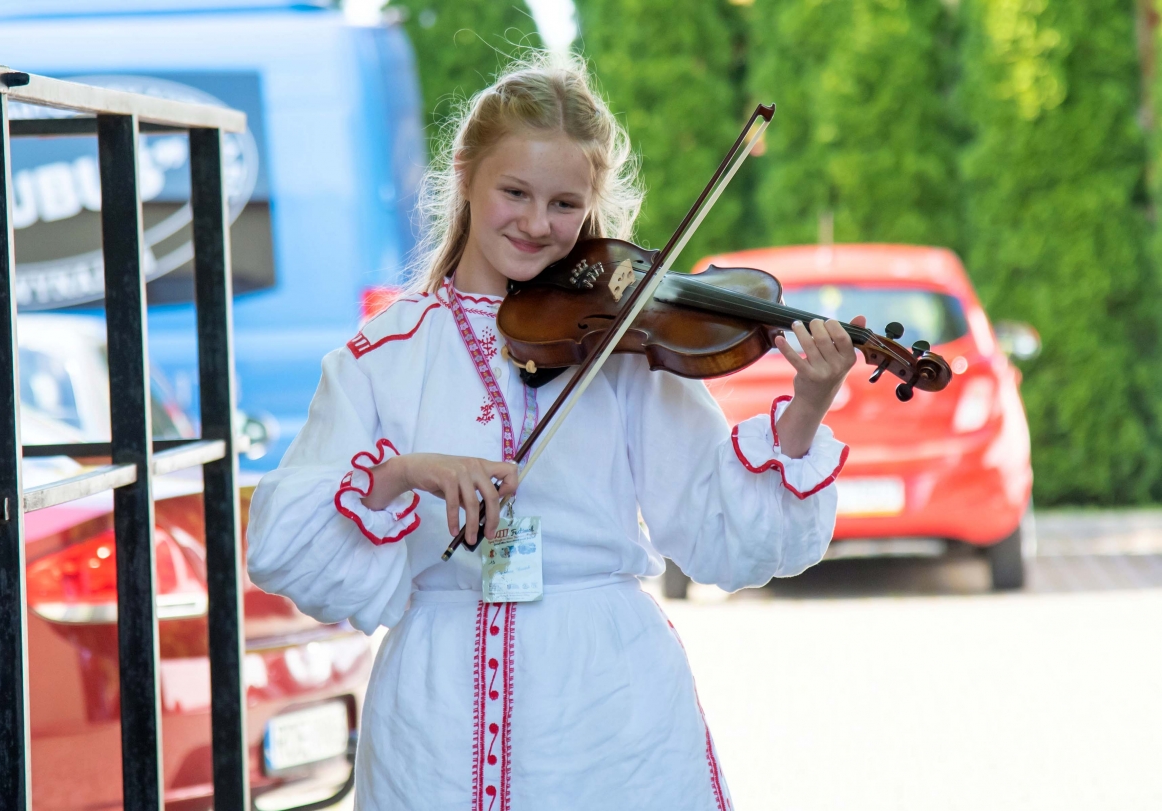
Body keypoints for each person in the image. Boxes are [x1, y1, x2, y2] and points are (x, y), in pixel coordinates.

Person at [247, 53, 861, 810]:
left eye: (565, 204)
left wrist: (806, 408)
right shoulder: (383, 355)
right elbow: (285, 550)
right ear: (466, 174)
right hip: (436, 718)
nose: (538, 224)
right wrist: (408, 471)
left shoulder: (625, 346)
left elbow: (722, 534)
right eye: (515, 192)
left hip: (606, 706)